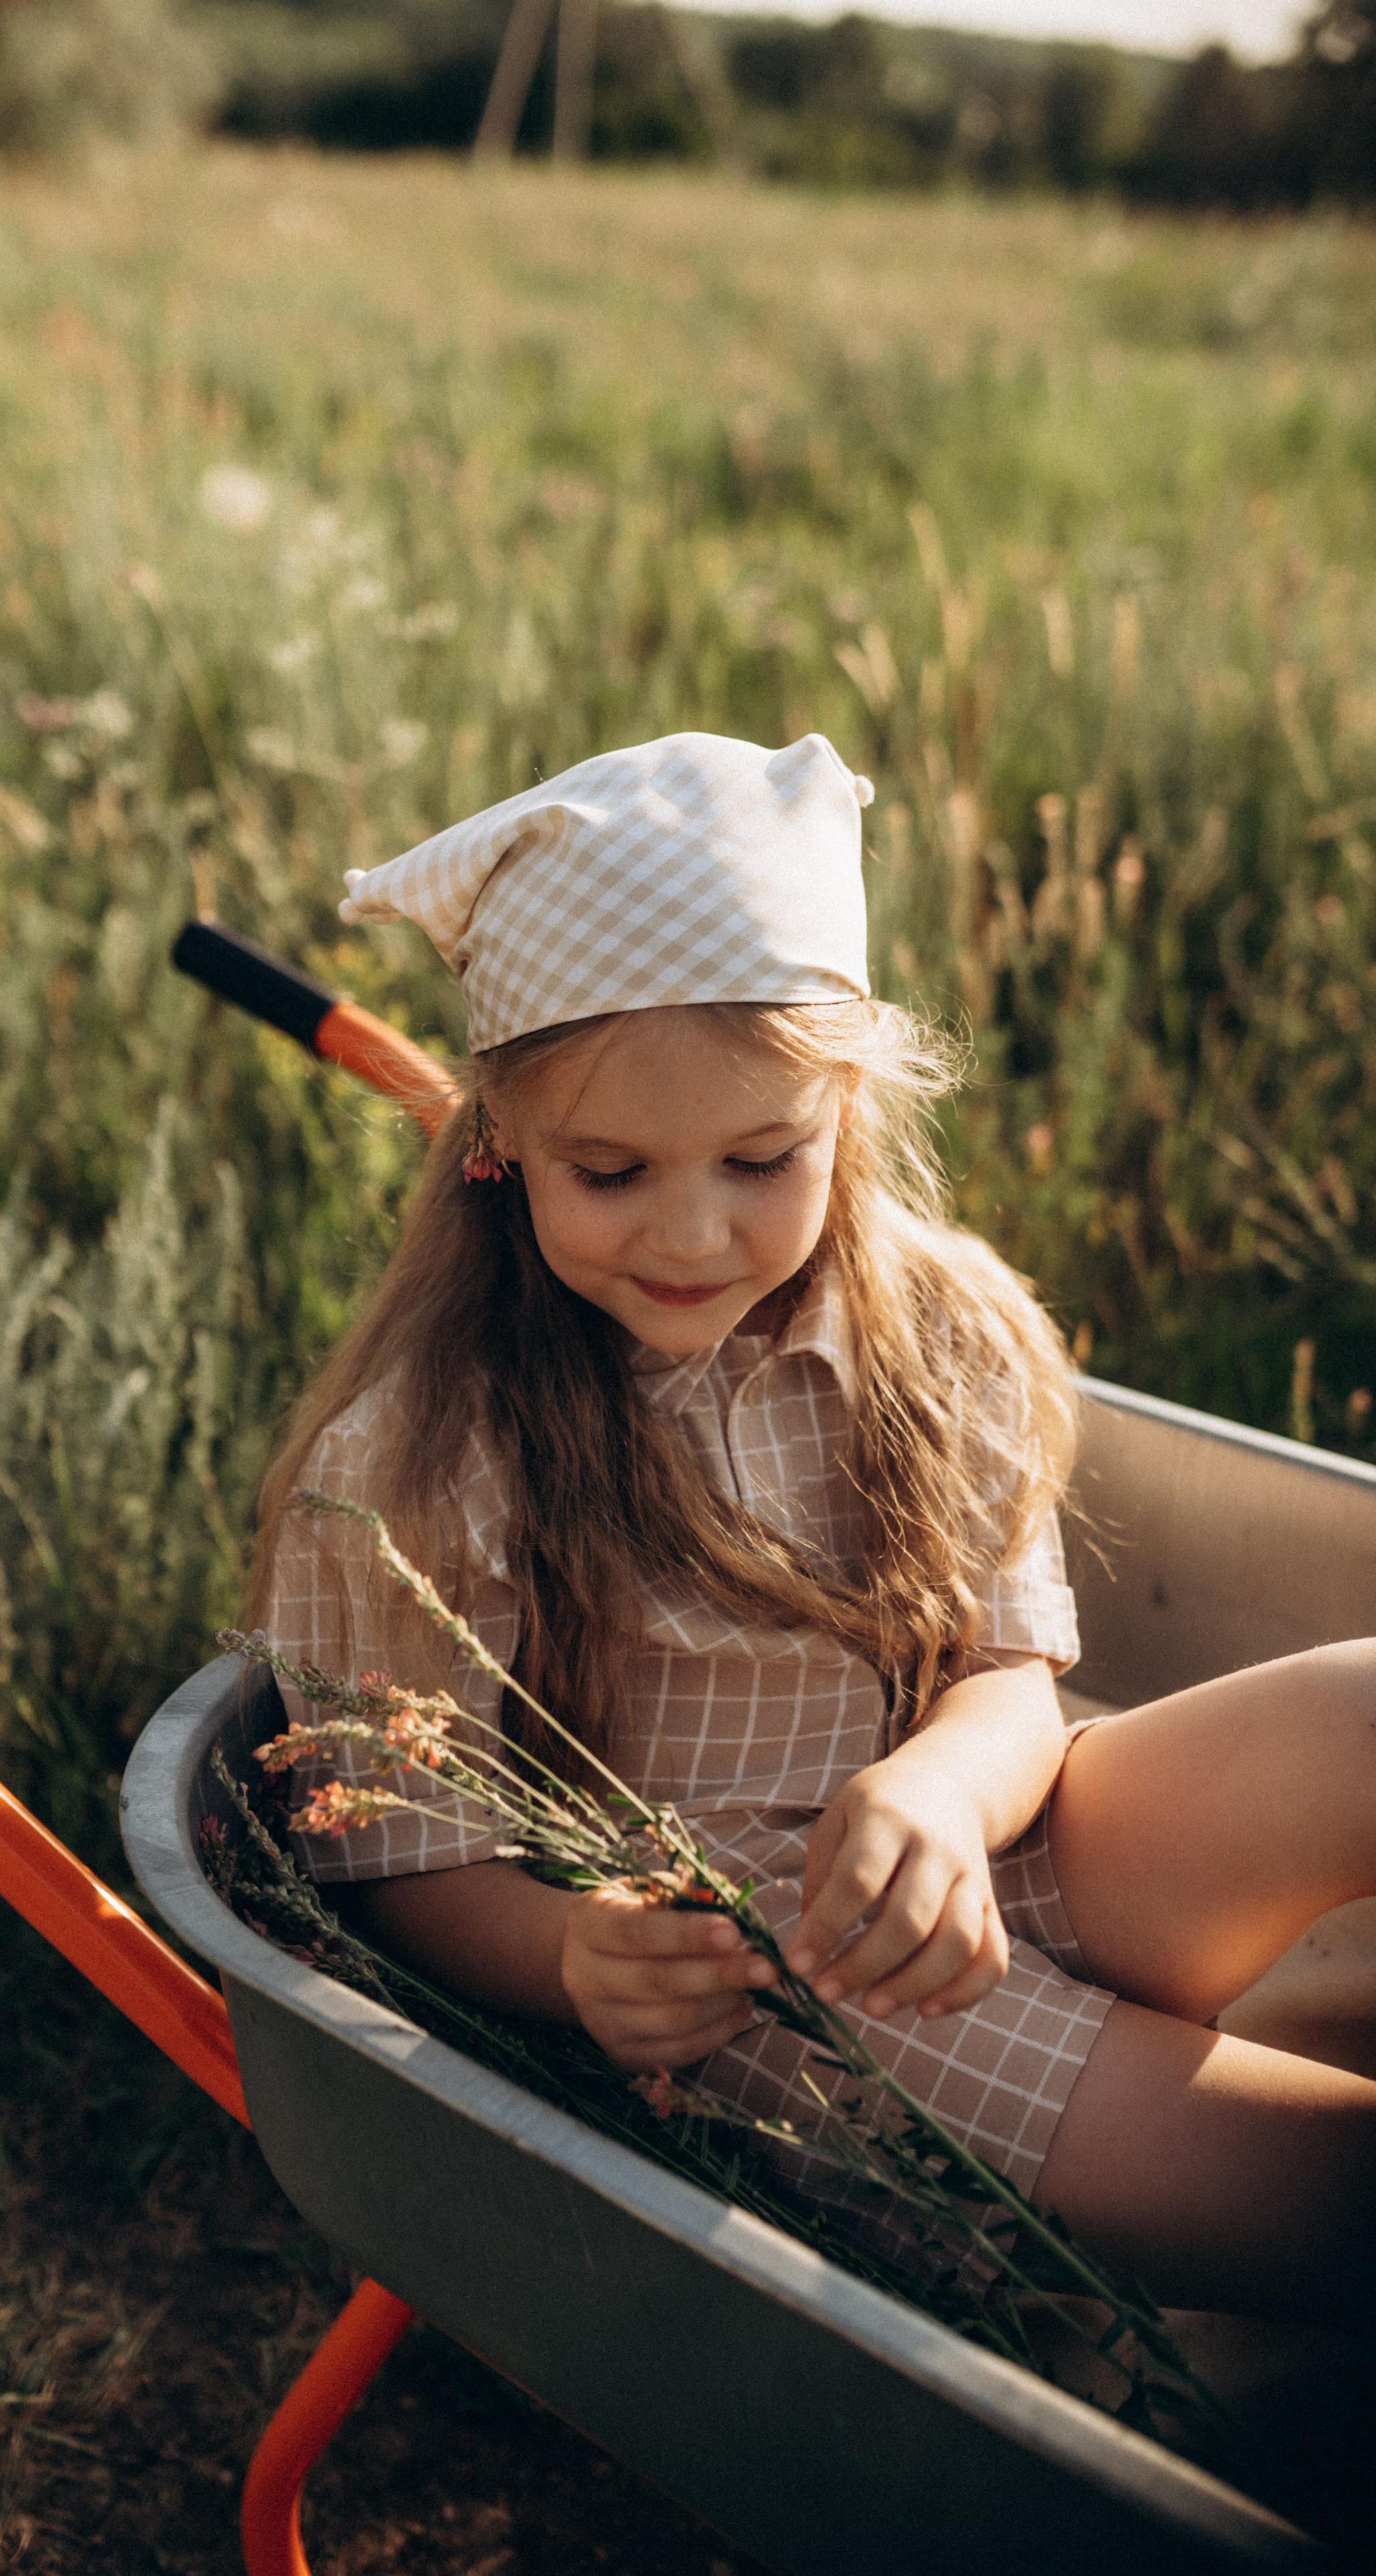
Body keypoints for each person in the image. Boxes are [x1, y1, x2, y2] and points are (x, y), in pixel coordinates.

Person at [252, 729, 1376, 2326]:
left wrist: (933, 1791)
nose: (693, 1231)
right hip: (756, 1963)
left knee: (1359, 1714)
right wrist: (572, 1958)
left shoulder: (934, 1329)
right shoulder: (427, 1459)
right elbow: (400, 1858)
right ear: (498, 1141)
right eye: (612, 1171)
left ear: (842, 1107)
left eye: (758, 1157)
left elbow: (1005, 1680)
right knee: (1311, 2188)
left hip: (976, 1838)